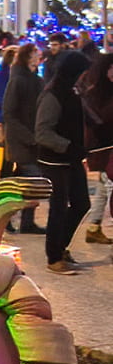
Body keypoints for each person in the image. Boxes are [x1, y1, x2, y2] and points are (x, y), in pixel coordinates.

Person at [35, 51, 91, 274]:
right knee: (58, 207)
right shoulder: (52, 95)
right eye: (82, 73)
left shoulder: (72, 92)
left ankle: (62, 245)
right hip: (55, 161)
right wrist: (67, 145)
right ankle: (54, 256)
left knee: (81, 203)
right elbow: (42, 132)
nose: (84, 77)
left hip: (73, 159)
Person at [2, 43, 45, 234]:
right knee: (31, 181)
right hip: (22, 141)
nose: (39, 57)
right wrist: (29, 137)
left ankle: (21, 222)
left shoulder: (35, 79)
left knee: (23, 184)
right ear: (28, 57)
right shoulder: (18, 80)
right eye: (35, 54)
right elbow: (10, 113)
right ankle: (14, 221)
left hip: (32, 139)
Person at [77, 52, 113, 245]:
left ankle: (93, 226)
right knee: (108, 185)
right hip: (102, 147)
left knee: (103, 186)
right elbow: (97, 121)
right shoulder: (96, 92)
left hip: (107, 147)